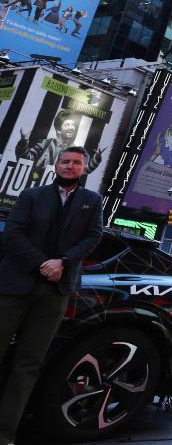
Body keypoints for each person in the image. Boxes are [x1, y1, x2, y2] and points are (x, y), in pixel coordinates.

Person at [0, 147, 104, 445]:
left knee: (28, 364)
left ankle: (5, 434)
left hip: (55, 291)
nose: (70, 166)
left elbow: (93, 237)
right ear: (55, 164)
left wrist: (63, 261)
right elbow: (13, 234)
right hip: (13, 286)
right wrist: (42, 263)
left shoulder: (92, 201)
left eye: (76, 163)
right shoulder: (32, 196)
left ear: (84, 169)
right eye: (65, 161)